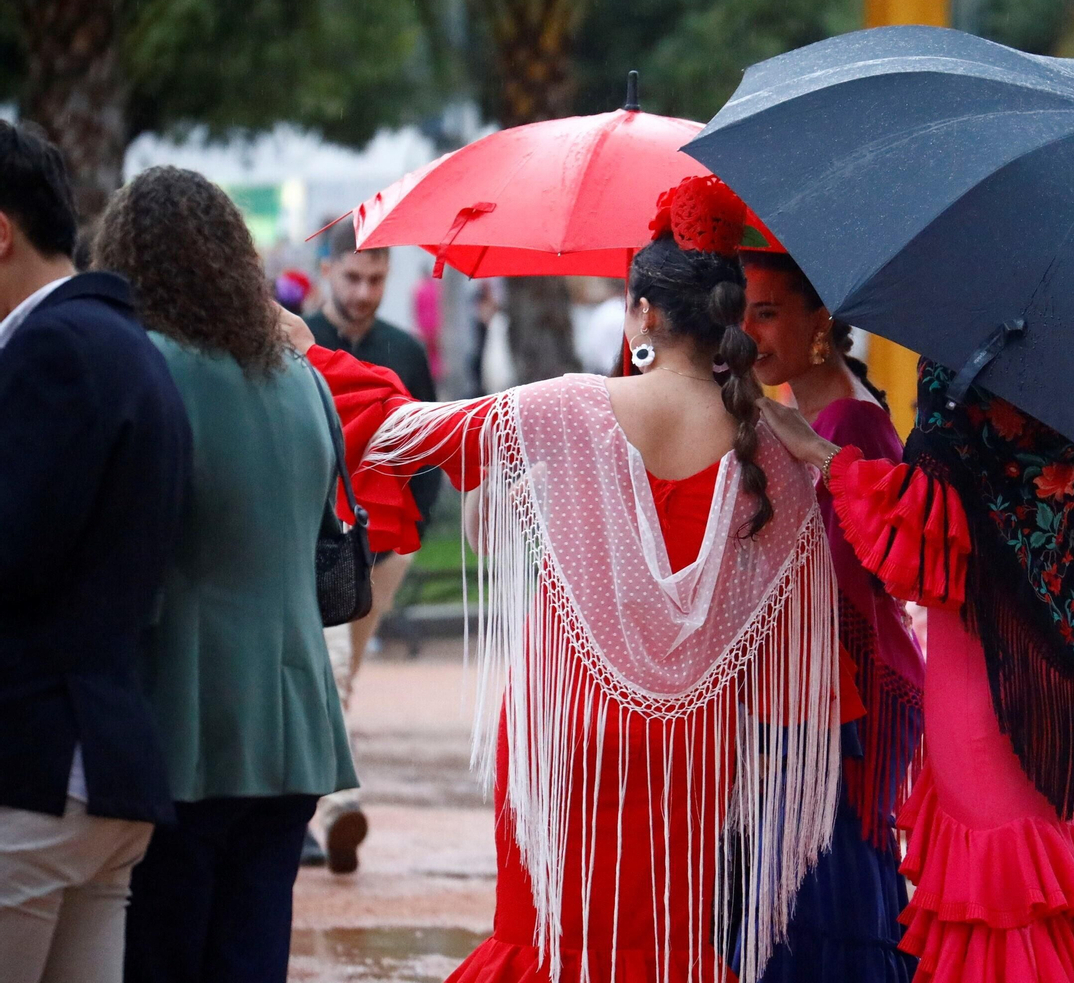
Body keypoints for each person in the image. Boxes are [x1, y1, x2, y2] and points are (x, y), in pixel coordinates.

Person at [294, 175, 841, 983]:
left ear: (642, 313)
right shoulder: (776, 453)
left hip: (566, 732)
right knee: (669, 953)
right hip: (693, 745)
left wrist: (297, 346)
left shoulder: (569, 409)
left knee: (545, 946)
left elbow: (401, 430)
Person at [759, 359, 1074, 983]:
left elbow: (925, 542)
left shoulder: (970, 364)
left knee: (999, 882)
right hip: (1040, 675)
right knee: (1024, 879)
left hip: (981, 674)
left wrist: (819, 451)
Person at [96, 168, 358, 983]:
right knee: (251, 955)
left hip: (183, 714)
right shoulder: (304, 381)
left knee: (162, 955)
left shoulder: (145, 369)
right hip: (295, 720)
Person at [0, 123, 191, 983]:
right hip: (102, 767)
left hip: (36, 765)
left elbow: (14, 552)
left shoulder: (55, 348)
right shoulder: (125, 345)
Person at [740, 246, 921, 982]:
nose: (748, 330)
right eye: (742, 310)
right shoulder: (795, 406)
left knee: (832, 871)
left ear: (821, 321)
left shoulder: (847, 417)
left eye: (768, 311)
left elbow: (867, 567)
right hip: (818, 682)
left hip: (854, 687)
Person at [304, 219, 439, 871]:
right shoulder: (292, 338)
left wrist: (412, 528)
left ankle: (315, 803)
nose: (364, 291)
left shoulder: (405, 351)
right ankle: (335, 804)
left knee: (342, 674)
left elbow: (431, 447)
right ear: (327, 270)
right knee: (327, 671)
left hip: (384, 548)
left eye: (378, 278)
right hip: (309, 544)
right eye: (354, 276)